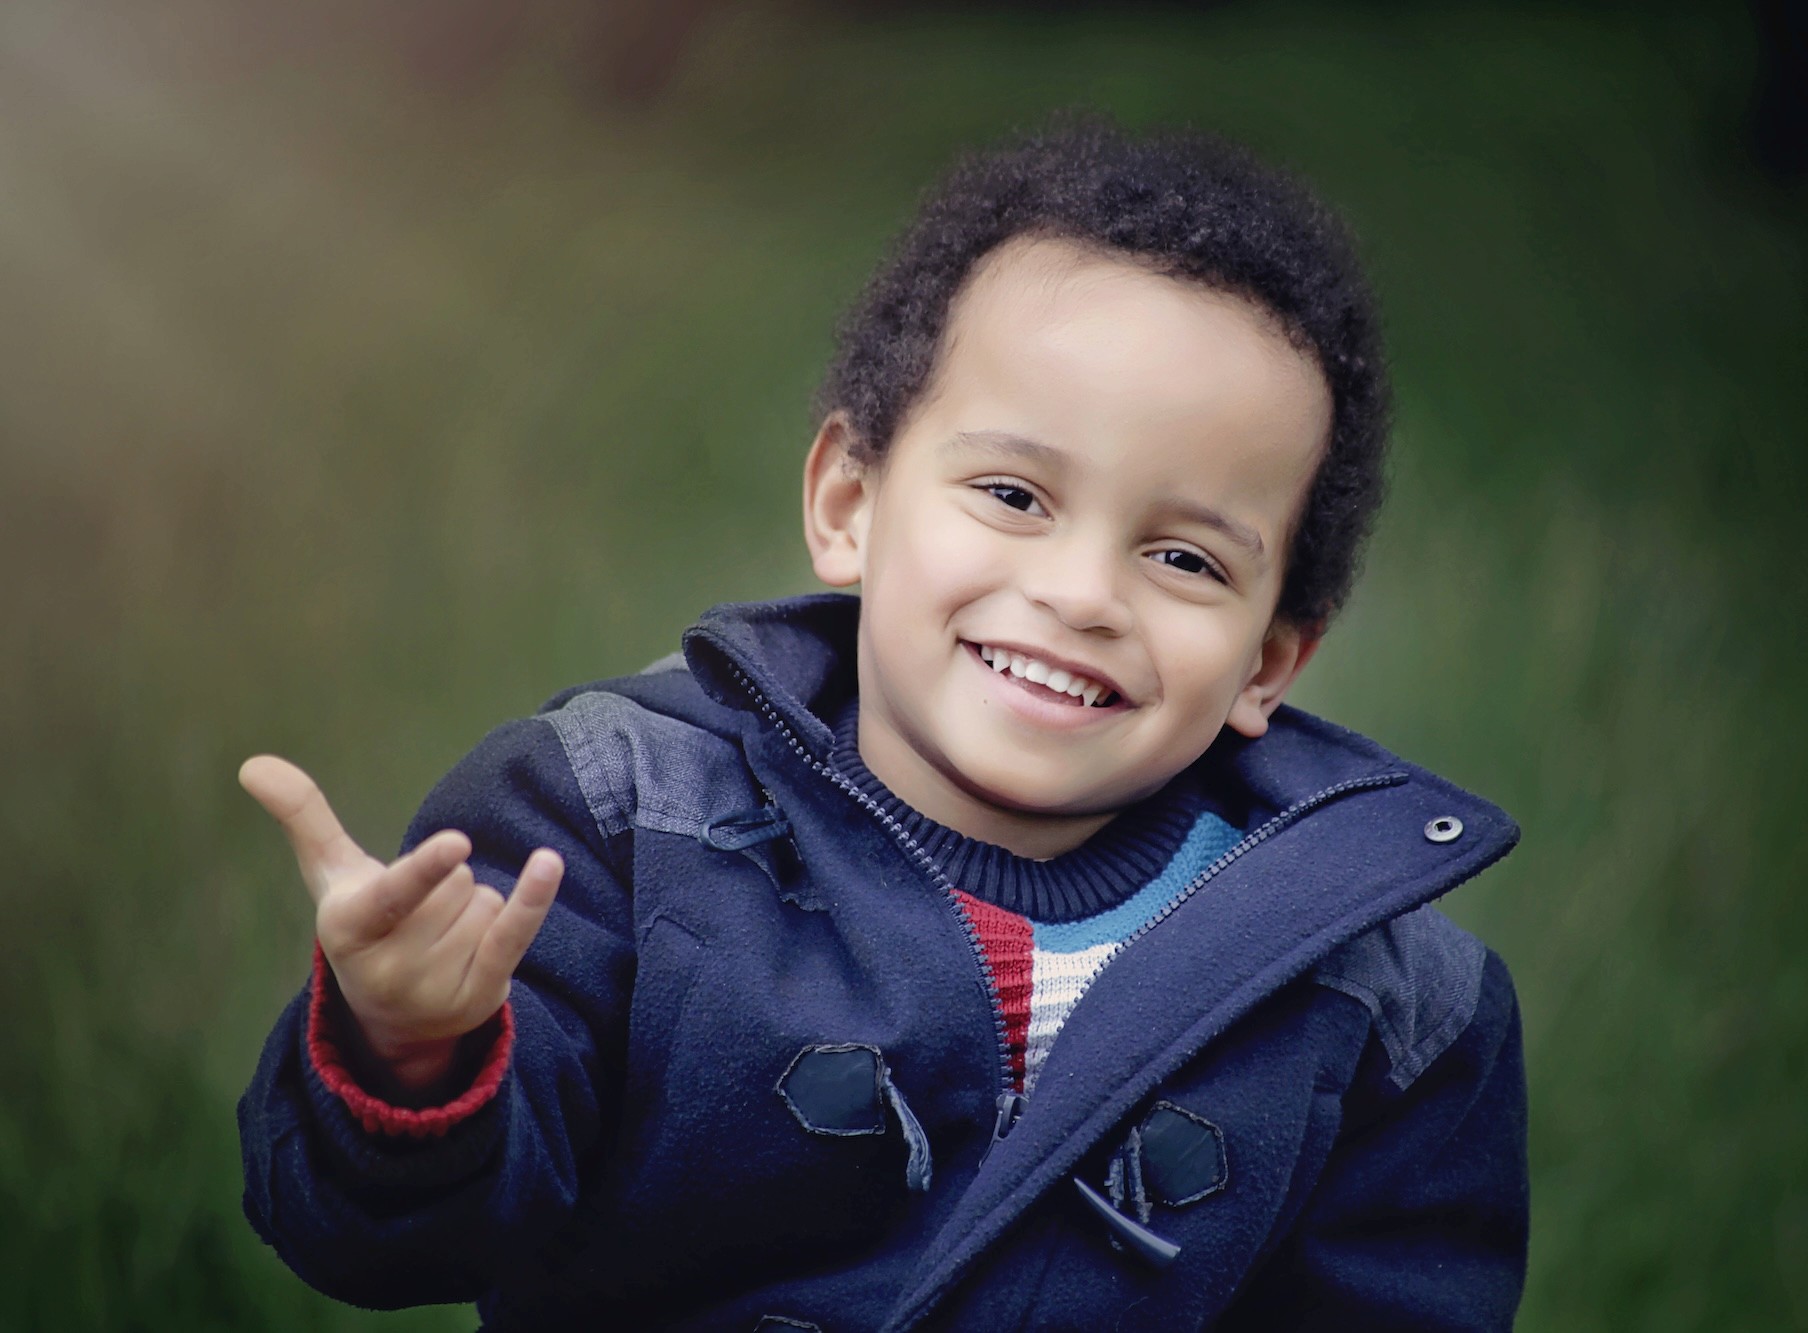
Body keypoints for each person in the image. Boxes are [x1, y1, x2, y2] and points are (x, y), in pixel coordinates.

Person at [237, 118, 1528, 1331]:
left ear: (1270, 660)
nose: (1082, 593)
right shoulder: (614, 827)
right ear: (848, 504)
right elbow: (384, 1248)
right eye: (1014, 494)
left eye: (1185, 559)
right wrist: (413, 1054)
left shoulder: (1384, 1004)